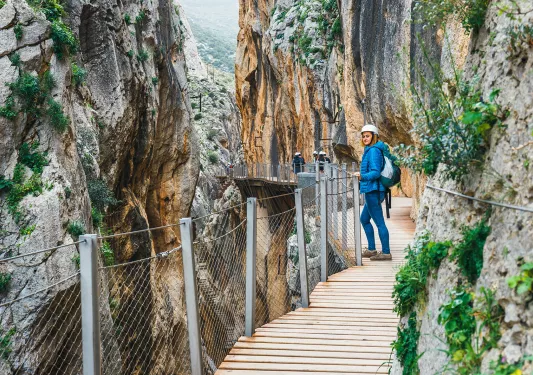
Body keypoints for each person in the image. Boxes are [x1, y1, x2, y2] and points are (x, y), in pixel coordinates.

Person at [355, 124, 392, 261]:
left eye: (368, 136)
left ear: (374, 136)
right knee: (364, 219)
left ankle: (386, 252)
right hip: (371, 189)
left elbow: (376, 172)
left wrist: (362, 176)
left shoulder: (374, 151)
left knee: (379, 223)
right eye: (363, 136)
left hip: (374, 190)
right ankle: (371, 249)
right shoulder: (369, 149)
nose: (365, 138)